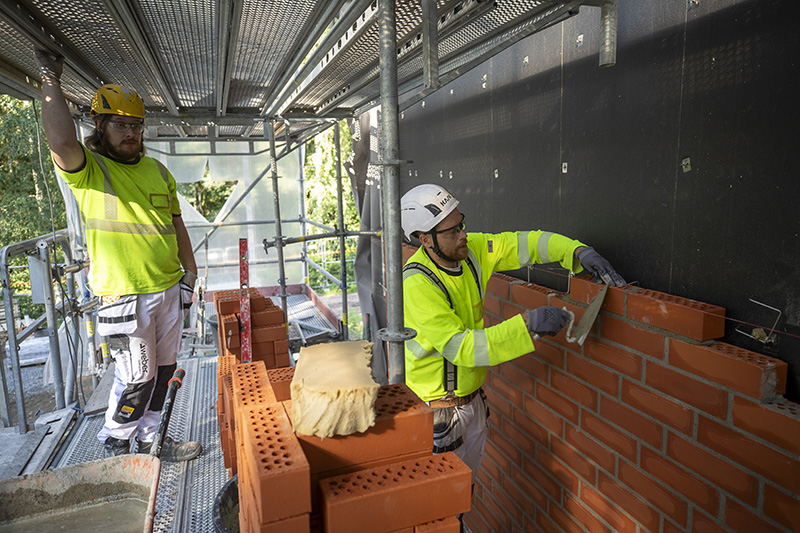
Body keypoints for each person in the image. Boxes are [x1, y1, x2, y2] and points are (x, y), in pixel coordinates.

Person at [34, 49, 202, 461]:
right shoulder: (90, 169)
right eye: (121, 125)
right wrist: (48, 79)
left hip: (168, 288)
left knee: (163, 374)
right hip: (124, 296)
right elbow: (59, 140)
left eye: (136, 126)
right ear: (100, 124)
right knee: (136, 377)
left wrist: (191, 274)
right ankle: (118, 443)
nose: (131, 134)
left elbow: (176, 225)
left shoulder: (158, 171)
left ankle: (152, 441)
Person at [401, 183, 624, 480]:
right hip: (438, 416)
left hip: (471, 402)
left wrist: (576, 251)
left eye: (462, 223)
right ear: (425, 240)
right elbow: (463, 349)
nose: (464, 234)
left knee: (463, 496)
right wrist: (527, 324)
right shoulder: (417, 284)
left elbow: (527, 244)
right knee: (440, 510)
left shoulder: (470, 251)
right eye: (453, 231)